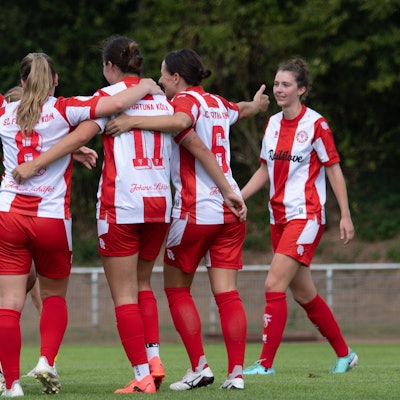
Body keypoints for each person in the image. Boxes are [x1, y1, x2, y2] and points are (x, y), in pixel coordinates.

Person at [105, 48, 269, 391]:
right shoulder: (218, 104)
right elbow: (243, 109)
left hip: (198, 209)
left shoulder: (184, 103)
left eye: (163, 75)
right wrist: (258, 105)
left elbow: (183, 126)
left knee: (176, 288)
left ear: (177, 78)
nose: (160, 81)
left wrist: (131, 120)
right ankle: (236, 374)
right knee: (227, 295)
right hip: (231, 211)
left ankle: (199, 367)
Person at [0, 52, 162, 397]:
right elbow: (117, 100)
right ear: (56, 81)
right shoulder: (65, 108)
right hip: (51, 219)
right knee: (55, 296)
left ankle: (11, 384)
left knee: (9, 304)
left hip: (8, 216)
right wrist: (148, 84)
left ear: (23, 82)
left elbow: (27, 145)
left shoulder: (4, 110)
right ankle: (46, 359)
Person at [240, 57, 358, 376]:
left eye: (286, 84)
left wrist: (345, 215)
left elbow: (333, 171)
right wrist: (236, 196)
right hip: (277, 218)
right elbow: (264, 170)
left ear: (301, 90)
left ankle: (265, 365)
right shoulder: (273, 124)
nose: (279, 89)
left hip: (306, 217)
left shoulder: (316, 125)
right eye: (277, 83)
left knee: (273, 284)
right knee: (304, 293)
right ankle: (345, 355)